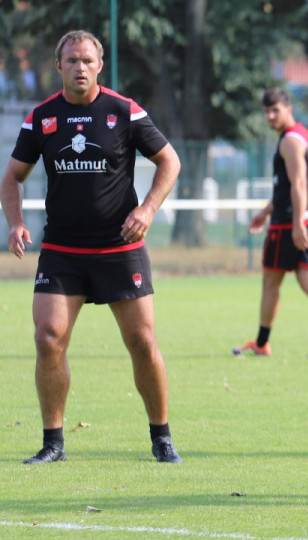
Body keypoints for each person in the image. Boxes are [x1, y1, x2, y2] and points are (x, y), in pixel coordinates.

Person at [0, 30, 183, 464]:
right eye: (71, 60)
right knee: (48, 338)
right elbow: (12, 177)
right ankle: (53, 443)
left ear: (100, 65)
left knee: (142, 341)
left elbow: (169, 161)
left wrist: (147, 210)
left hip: (119, 248)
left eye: (87, 60)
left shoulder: (124, 111)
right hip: (62, 251)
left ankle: (161, 438)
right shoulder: (42, 117)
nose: (79, 67)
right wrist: (16, 222)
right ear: (58, 66)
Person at [232, 88, 308, 359]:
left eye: (275, 110)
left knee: (271, 283)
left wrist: (297, 223)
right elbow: (287, 187)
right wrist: (266, 211)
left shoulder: (289, 141)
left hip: (290, 223)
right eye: (266, 112)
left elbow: (298, 184)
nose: (270, 116)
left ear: (289, 109)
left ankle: (261, 344)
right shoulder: (303, 134)